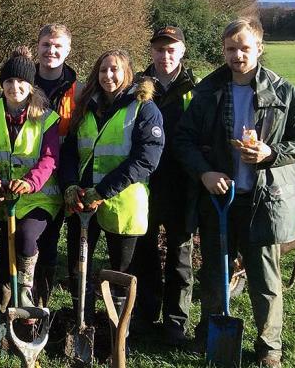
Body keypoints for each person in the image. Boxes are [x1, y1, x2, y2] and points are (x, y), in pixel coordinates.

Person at [174, 18, 295, 368]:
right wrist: (205, 172)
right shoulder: (208, 91)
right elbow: (183, 139)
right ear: (223, 50)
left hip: (263, 202)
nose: (237, 55)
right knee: (214, 272)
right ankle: (209, 332)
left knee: (265, 278)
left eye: (244, 48)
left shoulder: (283, 92)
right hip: (219, 200)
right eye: (230, 49)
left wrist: (271, 153)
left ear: (259, 48)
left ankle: (269, 347)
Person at [59, 49, 164, 324]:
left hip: (123, 201)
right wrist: (70, 184)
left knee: (122, 270)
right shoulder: (85, 106)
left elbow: (146, 159)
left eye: (115, 70)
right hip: (82, 200)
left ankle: (118, 331)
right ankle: (83, 322)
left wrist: (102, 191)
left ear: (128, 73)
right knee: (78, 266)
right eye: (104, 70)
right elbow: (69, 150)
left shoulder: (144, 108)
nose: (109, 76)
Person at [0, 47, 62, 320]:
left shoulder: (45, 118)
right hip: (6, 198)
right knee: (5, 253)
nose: (15, 87)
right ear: (2, 85)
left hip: (39, 197)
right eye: (9, 81)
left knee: (26, 238)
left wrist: (29, 183)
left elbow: (49, 158)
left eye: (21, 82)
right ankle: (3, 310)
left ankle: (27, 293)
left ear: (30, 85)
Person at [128, 25, 198, 344]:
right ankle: (145, 313)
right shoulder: (138, 86)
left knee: (180, 253)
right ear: (151, 51)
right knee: (144, 252)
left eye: (171, 49)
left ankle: (175, 320)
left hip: (182, 183)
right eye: (159, 49)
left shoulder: (195, 88)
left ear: (182, 51)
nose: (165, 55)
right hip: (145, 183)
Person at [31, 23, 80, 308]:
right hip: (26, 172)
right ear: (37, 47)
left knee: (50, 240)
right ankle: (9, 303)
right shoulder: (23, 82)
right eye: (46, 45)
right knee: (16, 238)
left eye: (58, 46)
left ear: (68, 50)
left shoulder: (79, 89)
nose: (51, 51)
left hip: (62, 175)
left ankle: (40, 304)